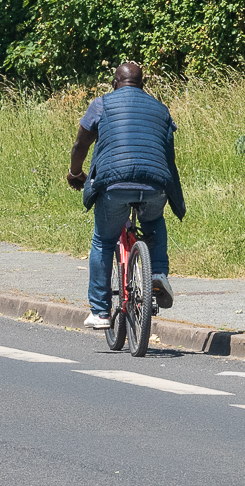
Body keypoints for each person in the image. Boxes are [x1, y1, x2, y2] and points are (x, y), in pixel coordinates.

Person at [67, 60, 183, 329]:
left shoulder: (102, 104)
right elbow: (168, 154)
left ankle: (100, 312)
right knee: (154, 222)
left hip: (114, 185)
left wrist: (75, 173)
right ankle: (157, 273)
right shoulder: (161, 109)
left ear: (115, 83)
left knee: (103, 241)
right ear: (143, 85)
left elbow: (80, 143)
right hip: (154, 184)